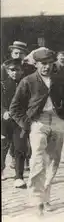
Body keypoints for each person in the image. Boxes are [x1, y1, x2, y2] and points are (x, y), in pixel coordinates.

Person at [9, 48, 64, 216]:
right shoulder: (27, 81)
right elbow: (14, 108)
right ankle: (36, 200)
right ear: (36, 64)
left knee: (54, 161)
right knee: (37, 158)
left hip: (57, 121)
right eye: (43, 64)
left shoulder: (59, 80)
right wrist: (27, 124)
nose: (46, 67)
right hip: (38, 122)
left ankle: (46, 196)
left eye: (50, 64)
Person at [1, 59, 28, 187]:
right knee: (3, 147)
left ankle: (19, 176)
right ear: (7, 71)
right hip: (5, 121)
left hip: (20, 121)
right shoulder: (3, 85)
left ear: (22, 71)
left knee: (20, 147)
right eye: (12, 70)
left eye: (18, 70)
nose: (15, 72)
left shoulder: (26, 84)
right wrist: (4, 111)